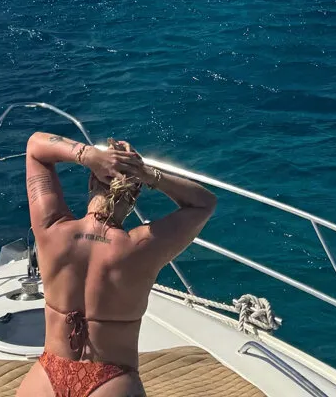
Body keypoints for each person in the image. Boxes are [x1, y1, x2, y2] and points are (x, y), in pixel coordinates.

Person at [16, 132, 217, 397]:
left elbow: (35, 147)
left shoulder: (51, 229)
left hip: (48, 374)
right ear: (135, 194)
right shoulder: (141, 247)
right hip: (110, 380)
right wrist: (148, 174)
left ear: (92, 180)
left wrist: (89, 156)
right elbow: (204, 204)